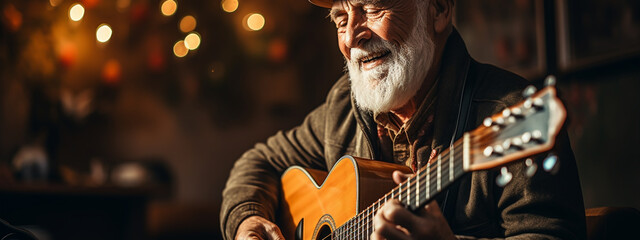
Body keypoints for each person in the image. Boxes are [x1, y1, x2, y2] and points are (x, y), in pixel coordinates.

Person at [221, 0, 586, 239]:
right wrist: (248, 220)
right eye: (341, 18)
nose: (352, 36)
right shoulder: (342, 110)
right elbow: (259, 162)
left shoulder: (506, 111)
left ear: (439, 9)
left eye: (373, 8)